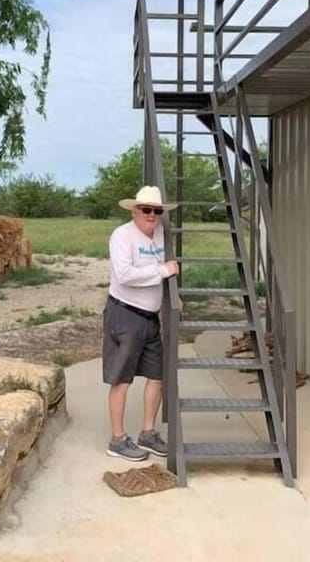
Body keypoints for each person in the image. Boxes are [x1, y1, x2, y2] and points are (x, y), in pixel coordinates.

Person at [102, 185, 179, 461]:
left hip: (150, 316)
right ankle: (117, 439)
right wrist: (162, 271)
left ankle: (148, 433)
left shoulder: (160, 233)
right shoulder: (122, 236)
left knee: (156, 376)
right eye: (146, 210)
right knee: (122, 378)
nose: (151, 215)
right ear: (134, 211)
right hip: (125, 314)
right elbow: (124, 274)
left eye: (156, 211)